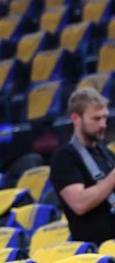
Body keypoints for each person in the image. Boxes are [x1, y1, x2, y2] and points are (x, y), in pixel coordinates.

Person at [49, 87, 115, 244]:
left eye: (105, 118)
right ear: (76, 118)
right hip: (94, 251)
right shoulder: (65, 158)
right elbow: (80, 203)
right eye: (96, 119)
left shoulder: (105, 153)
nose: (103, 124)